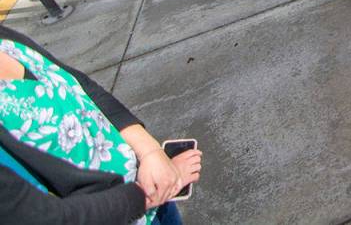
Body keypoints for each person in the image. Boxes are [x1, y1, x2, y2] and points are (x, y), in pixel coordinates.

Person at [1, 25, 202, 224]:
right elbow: (48, 217)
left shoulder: (4, 38)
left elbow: (79, 84)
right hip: (131, 205)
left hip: (147, 186)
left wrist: (151, 153)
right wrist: (148, 194)